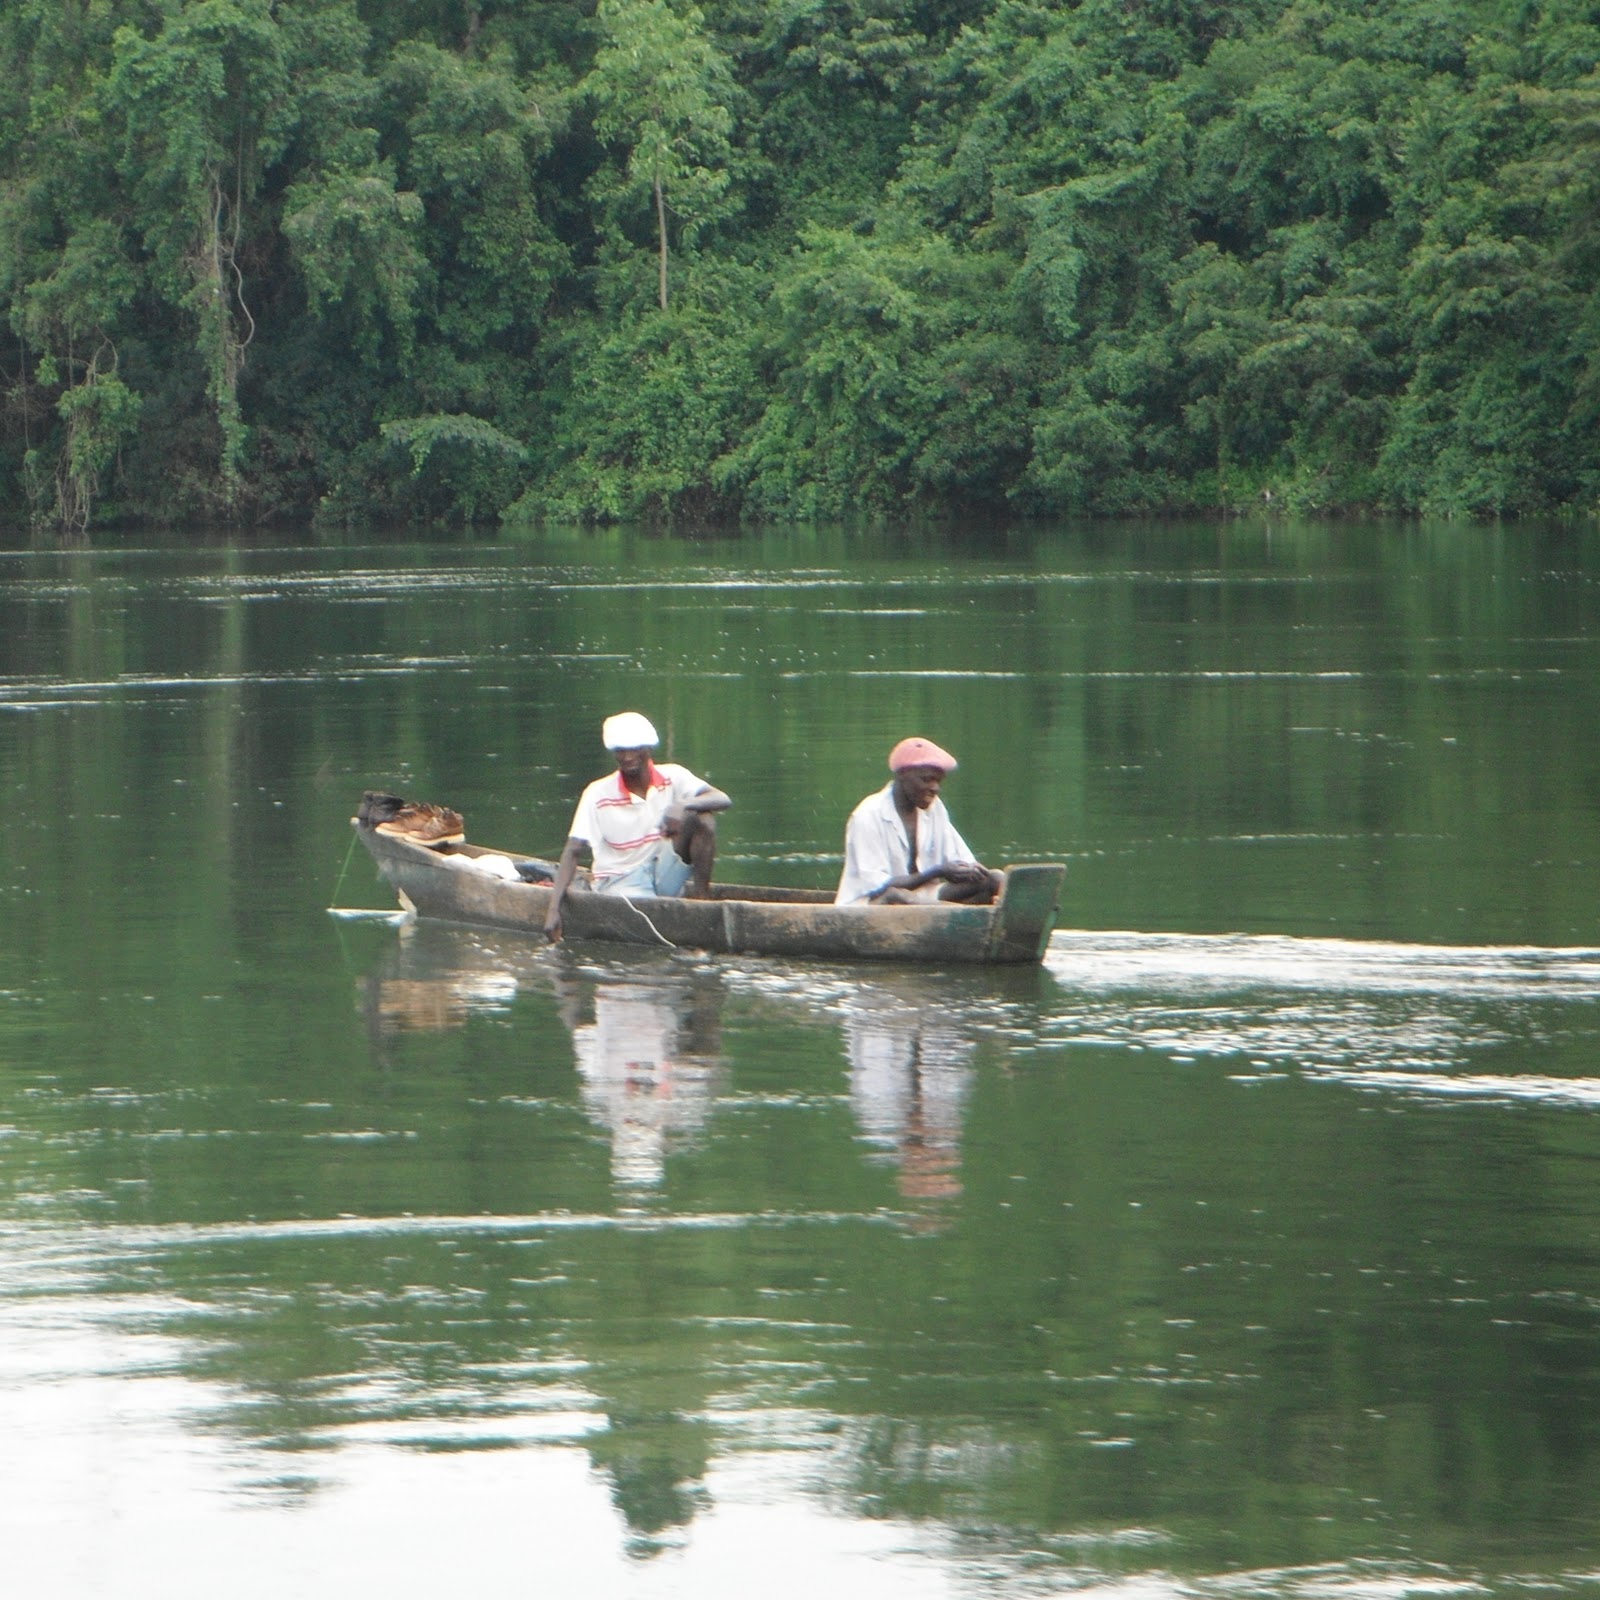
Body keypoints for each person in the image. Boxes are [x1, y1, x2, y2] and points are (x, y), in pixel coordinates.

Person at [543, 712, 731, 942]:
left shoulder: (674, 776)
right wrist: (553, 909)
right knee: (649, 922)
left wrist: (682, 805)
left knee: (703, 820)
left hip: (662, 871)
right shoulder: (597, 793)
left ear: (648, 748)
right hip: (620, 880)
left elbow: (722, 798)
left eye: (635, 749)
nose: (628, 756)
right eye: (621, 750)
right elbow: (573, 850)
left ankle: (701, 905)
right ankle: (685, 929)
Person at [834, 736, 1002, 906]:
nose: (935, 788)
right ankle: (942, 914)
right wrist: (937, 871)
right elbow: (878, 886)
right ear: (902, 775)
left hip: (921, 899)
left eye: (938, 781)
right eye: (926, 780)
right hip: (869, 905)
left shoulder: (935, 808)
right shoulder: (868, 815)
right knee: (896, 896)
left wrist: (987, 878)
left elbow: (963, 860)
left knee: (994, 879)